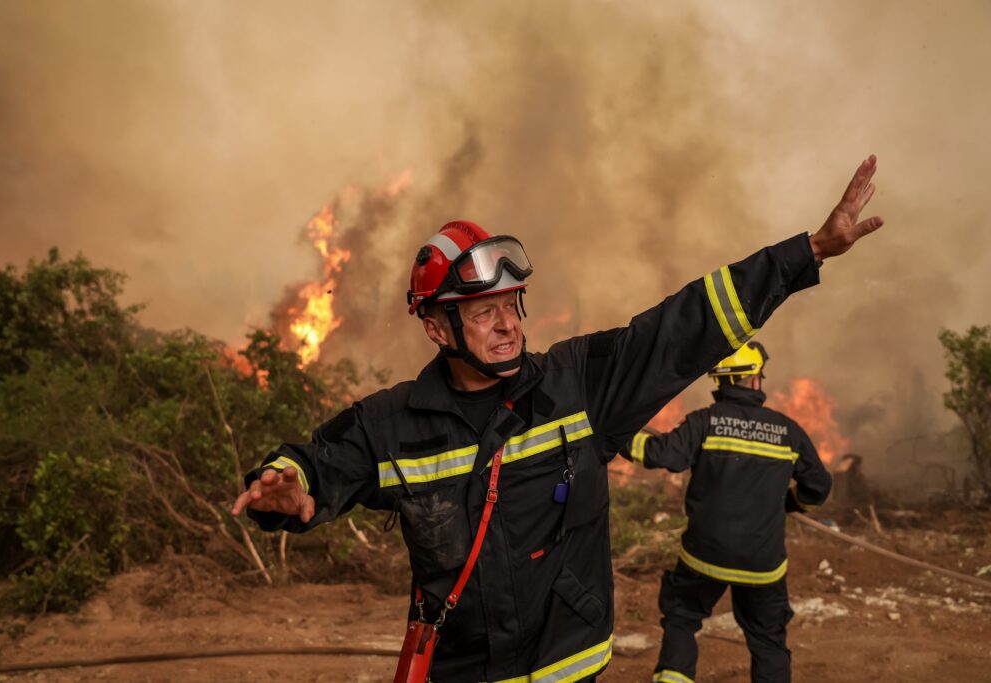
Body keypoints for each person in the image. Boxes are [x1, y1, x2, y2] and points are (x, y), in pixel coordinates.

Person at [231, 156, 882, 682]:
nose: (509, 321)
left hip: (570, 669)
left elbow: (683, 326)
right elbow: (320, 465)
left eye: (512, 302)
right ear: (437, 326)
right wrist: (288, 486)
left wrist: (808, 252)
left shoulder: (580, 383)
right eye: (483, 310)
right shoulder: (391, 422)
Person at [620, 341, 831, 683]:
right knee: (768, 640)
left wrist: (616, 435)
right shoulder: (787, 431)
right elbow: (819, 486)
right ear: (754, 380)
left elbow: (659, 454)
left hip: (704, 556)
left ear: (721, 382)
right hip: (763, 564)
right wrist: (790, 505)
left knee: (682, 619)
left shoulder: (705, 422)